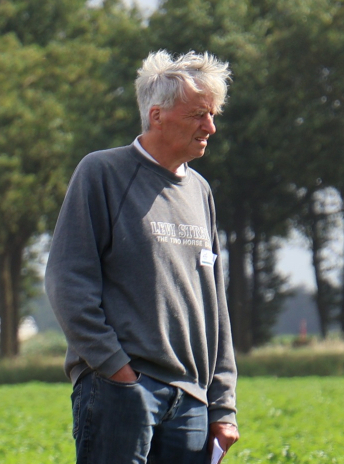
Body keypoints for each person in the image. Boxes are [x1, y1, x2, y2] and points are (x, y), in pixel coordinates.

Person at [45, 51, 238, 463]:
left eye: (212, 114)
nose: (210, 127)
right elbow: (67, 281)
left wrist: (222, 404)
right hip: (123, 390)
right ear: (157, 116)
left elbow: (214, 305)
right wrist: (116, 369)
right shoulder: (102, 173)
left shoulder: (200, 191)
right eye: (198, 115)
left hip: (191, 400)